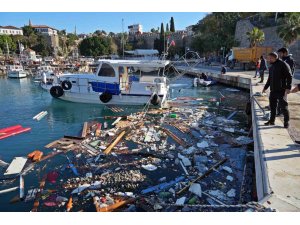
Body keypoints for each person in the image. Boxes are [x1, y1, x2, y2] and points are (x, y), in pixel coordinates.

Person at [262, 52, 292, 128]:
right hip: (273, 90)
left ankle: (286, 122)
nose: (268, 60)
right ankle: (272, 121)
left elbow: (289, 76)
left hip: (281, 89)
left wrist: (288, 87)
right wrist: (265, 87)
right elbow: (270, 78)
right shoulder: (271, 66)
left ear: (275, 57)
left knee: (283, 106)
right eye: (268, 58)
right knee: (272, 106)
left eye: (270, 58)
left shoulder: (283, 64)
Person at [277, 48, 296, 115]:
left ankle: (282, 112)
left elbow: (290, 74)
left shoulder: (289, 60)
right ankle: (279, 111)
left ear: (285, 53)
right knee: (280, 98)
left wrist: (288, 86)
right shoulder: (282, 60)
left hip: (285, 83)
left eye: (280, 53)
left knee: (283, 98)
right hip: (280, 82)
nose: (279, 55)